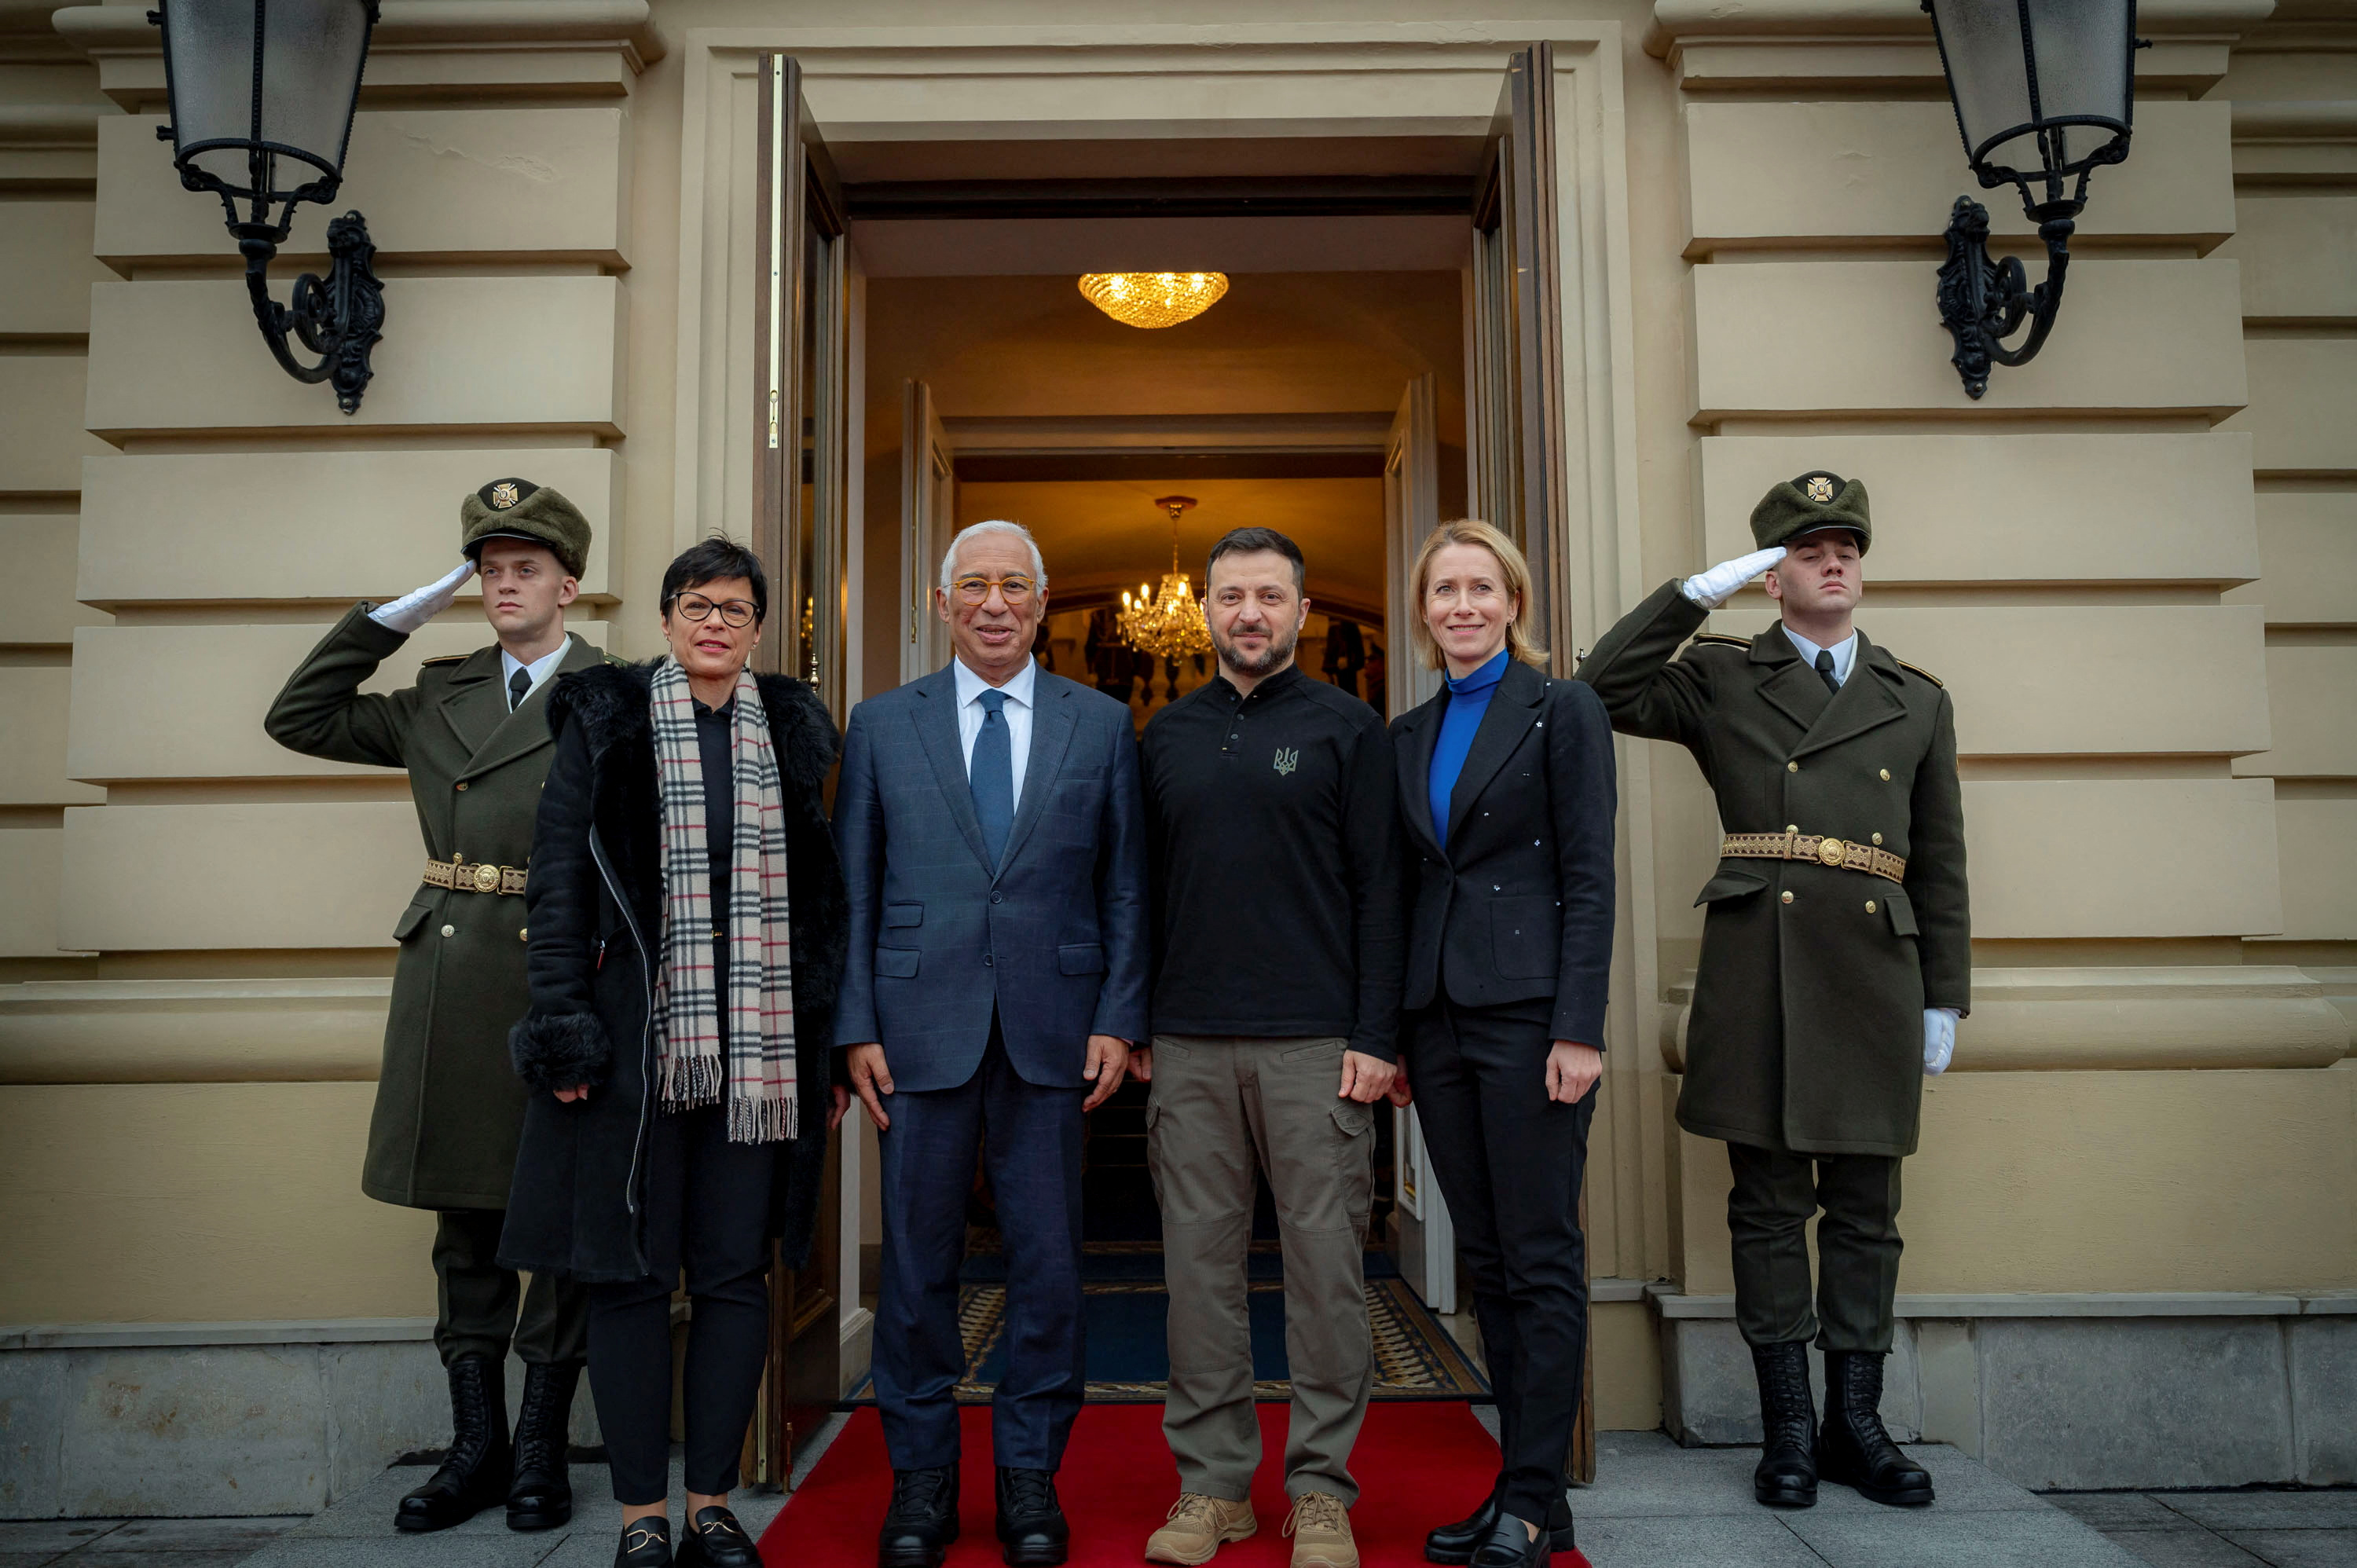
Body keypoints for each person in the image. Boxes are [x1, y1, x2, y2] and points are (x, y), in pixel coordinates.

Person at [1574, 472, 1970, 1511]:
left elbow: (1942, 863)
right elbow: (1600, 687)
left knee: (1866, 1213)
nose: (1833, 562)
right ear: (1772, 574)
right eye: (1807, 551)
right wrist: (1693, 596)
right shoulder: (1721, 677)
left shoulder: (1914, 696)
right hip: (1765, 964)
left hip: (1877, 969)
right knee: (1767, 1206)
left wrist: (1947, 997)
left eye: (1846, 548)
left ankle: (1857, 1424)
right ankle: (1789, 1429)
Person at [263, 478, 604, 1535]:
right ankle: (479, 1449)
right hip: (453, 982)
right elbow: (299, 718)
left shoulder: (617, 694)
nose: (506, 584)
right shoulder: (435, 694)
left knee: (563, 1221)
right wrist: (385, 620)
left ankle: (544, 1445)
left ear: (569, 583)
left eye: (526, 569)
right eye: (490, 570)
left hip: (563, 977)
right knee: (468, 1221)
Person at [499, 537, 847, 1568]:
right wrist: (564, 1028)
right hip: (631, 1059)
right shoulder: (605, 728)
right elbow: (557, 887)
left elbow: (823, 911)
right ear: (664, 619)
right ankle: (641, 1516)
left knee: (738, 1279)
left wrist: (820, 1049)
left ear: (757, 628)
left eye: (736, 610)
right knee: (632, 1282)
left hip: (758, 1059)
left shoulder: (791, 738)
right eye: (697, 606)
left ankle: (711, 1502)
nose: (715, 625)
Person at [832, 520, 1148, 1568]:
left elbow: (1126, 886)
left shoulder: (1100, 725)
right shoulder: (881, 726)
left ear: (1043, 601)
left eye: (1015, 584)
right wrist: (855, 1028)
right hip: (914, 1030)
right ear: (941, 601)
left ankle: (1027, 1482)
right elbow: (855, 890)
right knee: (917, 1266)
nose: (996, 602)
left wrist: (1117, 1015)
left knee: (1050, 1266)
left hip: (1057, 1031)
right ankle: (920, 1487)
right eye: (976, 585)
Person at [1136, 527, 1405, 1568]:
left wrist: (1377, 1036)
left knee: (1327, 1272)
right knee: (1197, 1275)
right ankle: (1212, 1491)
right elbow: (1139, 893)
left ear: (1302, 613)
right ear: (1205, 610)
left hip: (1318, 1047)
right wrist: (1137, 1017)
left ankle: (1320, 1492)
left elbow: (1385, 892)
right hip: (1188, 1041)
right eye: (1232, 596)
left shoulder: (1350, 729)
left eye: (1270, 597)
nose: (1250, 613)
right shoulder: (1165, 734)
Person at [1387, 521, 1615, 1568]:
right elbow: (1403, 887)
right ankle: (1527, 1497)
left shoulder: (1562, 708)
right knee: (1487, 1260)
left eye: (1484, 587)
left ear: (1514, 603)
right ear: (1425, 610)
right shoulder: (1409, 731)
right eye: (1446, 591)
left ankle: (1531, 1495)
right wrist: (1392, 1032)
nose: (1465, 605)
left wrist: (1578, 1027)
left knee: (1539, 1257)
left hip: (1530, 1019)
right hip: (1437, 1020)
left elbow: (1588, 877)